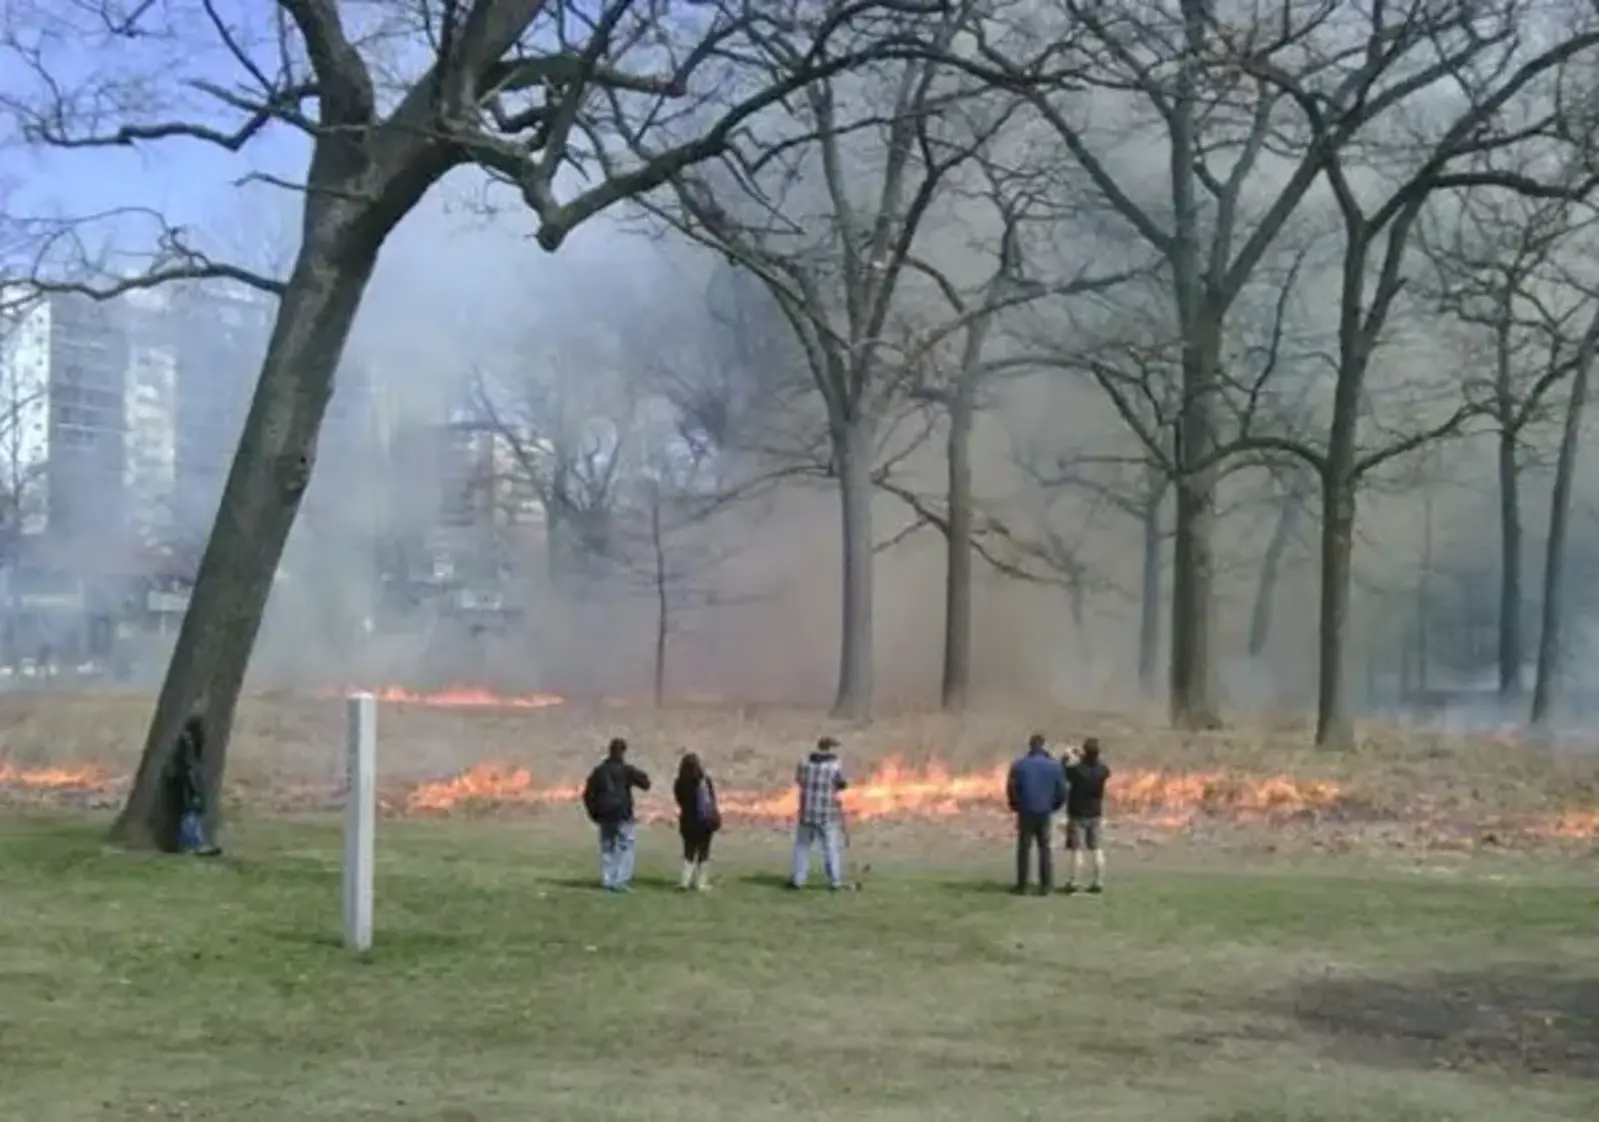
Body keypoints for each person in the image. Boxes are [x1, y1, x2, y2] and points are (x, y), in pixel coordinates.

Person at [582, 737, 652, 893]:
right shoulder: (626, 770)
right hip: (622, 814)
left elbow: (587, 794)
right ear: (623, 752)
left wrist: (593, 813)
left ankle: (608, 880)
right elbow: (646, 784)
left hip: (604, 815)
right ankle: (620, 881)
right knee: (625, 846)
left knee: (608, 848)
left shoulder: (599, 771)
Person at [1006, 732, 1067, 895]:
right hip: (1044, 811)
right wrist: (1053, 806)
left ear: (1030, 746)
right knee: (1044, 848)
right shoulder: (1054, 765)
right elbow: (1062, 791)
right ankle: (1046, 886)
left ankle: (1022, 885)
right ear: (1043, 746)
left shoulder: (1019, 765)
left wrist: (1016, 806)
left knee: (1024, 849)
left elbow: (1011, 789)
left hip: (1025, 810)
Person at [788, 735, 849, 890]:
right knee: (830, 848)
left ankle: (798, 880)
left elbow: (799, 781)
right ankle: (835, 881)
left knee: (802, 848)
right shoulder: (834, 766)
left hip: (806, 812)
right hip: (826, 814)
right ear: (829, 749)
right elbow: (841, 784)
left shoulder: (804, 764)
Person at [1063, 737, 1112, 894]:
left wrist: (1068, 756)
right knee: (1096, 848)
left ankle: (1075, 882)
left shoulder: (1077, 770)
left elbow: (1064, 768)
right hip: (1095, 813)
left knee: (1077, 849)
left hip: (1077, 813)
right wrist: (1087, 756)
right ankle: (1098, 881)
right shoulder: (1102, 771)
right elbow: (1102, 767)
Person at [672, 752, 722, 891]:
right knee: (703, 852)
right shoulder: (705, 781)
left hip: (687, 820)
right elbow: (712, 800)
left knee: (688, 852)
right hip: (704, 821)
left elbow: (679, 800)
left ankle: (684, 881)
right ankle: (701, 882)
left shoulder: (679, 782)